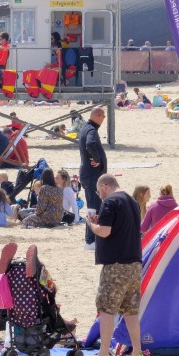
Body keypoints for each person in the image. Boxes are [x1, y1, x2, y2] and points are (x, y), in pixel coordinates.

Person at [85, 173, 146, 356]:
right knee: (131, 310)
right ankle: (137, 352)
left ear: (104, 186)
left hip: (116, 265)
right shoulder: (132, 201)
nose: (99, 195)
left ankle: (103, 353)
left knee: (106, 308)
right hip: (134, 263)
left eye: (98, 191)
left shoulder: (110, 202)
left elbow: (105, 231)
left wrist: (91, 225)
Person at [79, 107, 108, 251]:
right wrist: (97, 159)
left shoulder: (86, 127)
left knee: (94, 206)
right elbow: (90, 144)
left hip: (88, 174)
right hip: (91, 175)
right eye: (103, 116)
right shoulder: (91, 129)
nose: (103, 119)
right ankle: (90, 240)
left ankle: (91, 239)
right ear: (98, 116)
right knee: (93, 207)